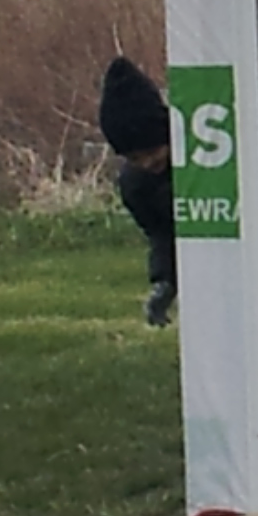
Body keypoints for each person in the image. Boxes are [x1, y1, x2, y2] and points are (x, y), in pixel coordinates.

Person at [98, 54, 178, 329]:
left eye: (152, 150)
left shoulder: (200, 162)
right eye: (134, 158)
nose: (147, 163)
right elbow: (162, 234)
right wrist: (164, 281)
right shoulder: (136, 186)